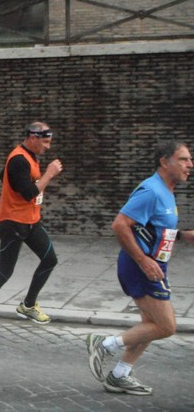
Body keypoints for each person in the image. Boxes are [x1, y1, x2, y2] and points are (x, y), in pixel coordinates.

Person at [86, 141, 193, 396]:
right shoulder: (151, 190)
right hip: (140, 266)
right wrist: (144, 261)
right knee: (166, 326)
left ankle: (120, 375)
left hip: (153, 265)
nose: (190, 164)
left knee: (149, 324)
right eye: (183, 159)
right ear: (164, 162)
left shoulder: (167, 191)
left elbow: (151, 228)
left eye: (189, 160)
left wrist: (181, 236)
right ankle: (105, 344)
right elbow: (120, 225)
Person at [0, 122, 62, 329]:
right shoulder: (19, 159)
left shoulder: (28, 156)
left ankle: (27, 305)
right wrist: (49, 174)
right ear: (33, 138)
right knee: (5, 271)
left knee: (50, 260)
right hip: (13, 224)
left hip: (31, 221)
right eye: (45, 142)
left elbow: (4, 176)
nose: (48, 147)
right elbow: (28, 194)